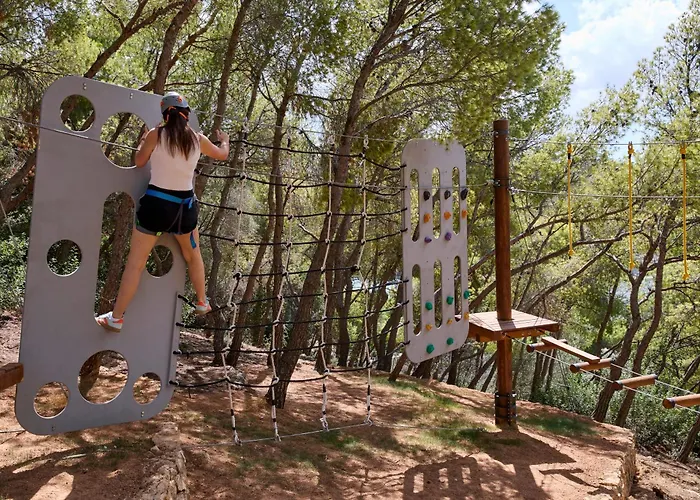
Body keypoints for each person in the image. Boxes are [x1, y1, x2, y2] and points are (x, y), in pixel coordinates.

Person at [96, 91, 229, 332]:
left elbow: (139, 161)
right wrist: (225, 140)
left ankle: (116, 318)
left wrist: (142, 141)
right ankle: (202, 302)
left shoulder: (156, 134)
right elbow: (222, 155)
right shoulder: (198, 139)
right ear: (186, 114)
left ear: (165, 115)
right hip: (183, 211)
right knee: (193, 256)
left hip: (155, 207)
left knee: (135, 264)